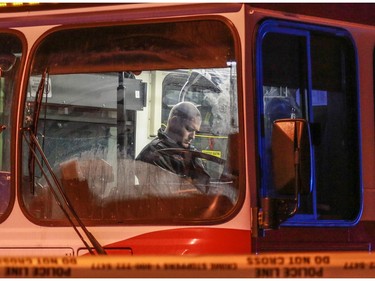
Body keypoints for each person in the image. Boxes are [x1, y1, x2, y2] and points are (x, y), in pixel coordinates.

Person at [135, 101, 210, 190]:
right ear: (174, 122)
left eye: (196, 132)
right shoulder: (152, 154)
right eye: (189, 129)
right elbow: (168, 194)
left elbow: (205, 187)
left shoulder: (190, 153)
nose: (193, 136)